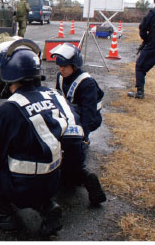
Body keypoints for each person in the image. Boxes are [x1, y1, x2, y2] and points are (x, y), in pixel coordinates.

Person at [0, 44, 73, 235]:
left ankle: (3, 213)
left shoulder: (8, 110)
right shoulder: (50, 95)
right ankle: (46, 205)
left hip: (23, 186)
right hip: (53, 181)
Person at [51, 43, 107, 206]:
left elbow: (89, 113)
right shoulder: (60, 77)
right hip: (71, 116)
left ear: (74, 66)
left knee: (72, 159)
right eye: (60, 66)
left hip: (86, 119)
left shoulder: (87, 83)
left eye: (65, 67)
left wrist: (83, 135)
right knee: (67, 169)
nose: (61, 70)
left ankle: (83, 174)